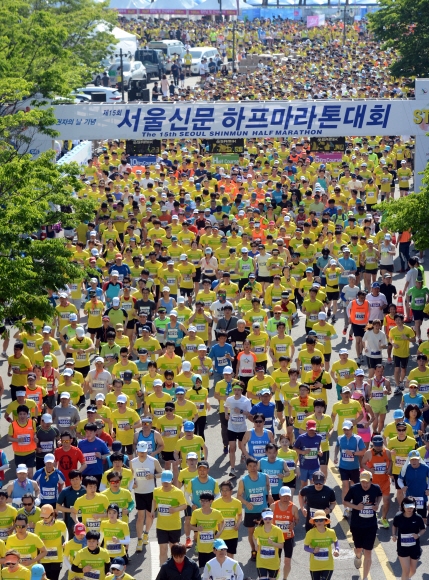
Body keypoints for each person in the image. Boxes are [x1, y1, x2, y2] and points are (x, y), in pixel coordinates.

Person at [343, 471, 382, 579]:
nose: (365, 485)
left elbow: (379, 495)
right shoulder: (354, 489)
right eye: (363, 482)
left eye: (367, 482)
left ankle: (365, 577)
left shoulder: (376, 488)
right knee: (359, 548)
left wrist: (377, 504)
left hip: (371, 525)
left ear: (371, 481)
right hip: (357, 524)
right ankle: (358, 555)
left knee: (368, 551)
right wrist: (356, 507)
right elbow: (345, 502)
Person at [237, 457, 273, 561]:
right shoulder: (243, 481)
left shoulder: (265, 476)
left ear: (257, 466)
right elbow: (238, 496)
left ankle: (264, 549)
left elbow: (268, 486)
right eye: (250, 466)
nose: (253, 468)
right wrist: (246, 503)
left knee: (265, 531)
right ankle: (254, 550)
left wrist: (269, 495)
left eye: (254, 466)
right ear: (247, 467)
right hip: (251, 511)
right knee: (251, 532)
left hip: (263, 511)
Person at [130, 440, 162, 551]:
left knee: (150, 516)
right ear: (137, 451)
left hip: (151, 493)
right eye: (140, 452)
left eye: (144, 451)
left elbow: (162, 474)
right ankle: (139, 540)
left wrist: (153, 476)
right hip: (139, 493)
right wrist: (132, 484)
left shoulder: (153, 461)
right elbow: (130, 477)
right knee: (140, 518)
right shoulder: (133, 462)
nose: (142, 454)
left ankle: (146, 533)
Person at [152, 470, 187, 565]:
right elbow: (154, 500)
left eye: (167, 481)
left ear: (172, 480)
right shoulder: (156, 491)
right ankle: (163, 571)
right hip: (161, 526)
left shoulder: (178, 492)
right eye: (163, 481)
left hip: (174, 526)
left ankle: (174, 571)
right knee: (162, 550)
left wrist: (175, 510)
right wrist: (152, 511)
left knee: (174, 550)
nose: (165, 483)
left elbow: (184, 505)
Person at [333, 420, 366, 518]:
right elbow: (337, 447)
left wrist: (354, 453)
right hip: (343, 467)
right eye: (344, 430)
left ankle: (354, 505)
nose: (346, 432)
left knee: (354, 486)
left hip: (354, 467)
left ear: (352, 429)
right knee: (345, 485)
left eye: (348, 429)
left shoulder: (358, 439)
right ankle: (346, 508)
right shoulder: (340, 438)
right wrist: (335, 456)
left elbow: (363, 451)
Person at [392, 496, 426, 580]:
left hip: (414, 548)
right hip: (402, 547)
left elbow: (423, 529)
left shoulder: (418, 517)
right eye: (407, 507)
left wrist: (418, 535)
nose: (409, 509)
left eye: (411, 507)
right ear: (403, 506)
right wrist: (393, 534)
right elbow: (394, 525)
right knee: (406, 570)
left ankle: (406, 578)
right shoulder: (398, 517)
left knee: (413, 571)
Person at [362, 435, 392, 529]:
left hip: (385, 481)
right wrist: (369, 470)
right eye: (376, 445)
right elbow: (362, 463)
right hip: (373, 483)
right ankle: (373, 515)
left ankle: (384, 518)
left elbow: (391, 461)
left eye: (380, 445)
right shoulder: (368, 453)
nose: (378, 447)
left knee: (386, 501)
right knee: (373, 501)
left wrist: (389, 470)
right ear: (373, 444)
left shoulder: (387, 452)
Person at [190, 492, 224, 569]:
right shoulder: (196, 513)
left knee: (213, 568)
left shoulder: (217, 513)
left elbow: (223, 522)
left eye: (205, 501)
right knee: (203, 568)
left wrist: (219, 532)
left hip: (213, 547)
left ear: (211, 501)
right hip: (201, 546)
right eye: (201, 501)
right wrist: (197, 529)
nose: (203, 503)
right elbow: (191, 526)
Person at [224, 383, 252, 477]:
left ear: (241, 390)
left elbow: (249, 413)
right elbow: (225, 406)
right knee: (232, 448)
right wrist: (226, 414)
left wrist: (240, 411)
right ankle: (232, 468)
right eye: (235, 389)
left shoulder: (246, 400)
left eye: (238, 390)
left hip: (242, 428)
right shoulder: (229, 399)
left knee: (241, 446)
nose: (236, 391)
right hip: (231, 427)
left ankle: (244, 455)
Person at [271, 486, 299, 580]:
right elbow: (268, 520)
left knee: (287, 561)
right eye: (284, 496)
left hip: (288, 537)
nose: (286, 499)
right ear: (279, 495)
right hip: (276, 538)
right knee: (276, 561)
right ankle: (275, 577)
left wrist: (293, 523)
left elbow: (297, 519)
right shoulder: (273, 506)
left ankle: (285, 578)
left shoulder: (294, 507)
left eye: (288, 496)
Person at [303, 509, 339, 580]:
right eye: (316, 520)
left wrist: (337, 549)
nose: (319, 522)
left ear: (325, 521)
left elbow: (336, 541)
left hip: (328, 565)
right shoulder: (310, 533)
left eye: (321, 520)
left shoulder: (331, 532)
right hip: (315, 566)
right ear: (314, 522)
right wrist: (313, 550)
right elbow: (305, 547)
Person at [34, 504, 66, 580]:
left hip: (57, 557)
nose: (44, 518)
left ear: (52, 514)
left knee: (55, 577)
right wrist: (40, 542)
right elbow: (35, 540)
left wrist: (66, 541)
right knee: (46, 577)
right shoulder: (39, 524)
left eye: (46, 516)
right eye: (42, 516)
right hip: (44, 557)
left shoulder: (60, 524)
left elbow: (66, 533)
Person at [398, 449, 429, 523]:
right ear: (409, 460)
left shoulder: (425, 468)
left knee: (423, 518)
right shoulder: (405, 469)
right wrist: (402, 487)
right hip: (409, 497)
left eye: (416, 459)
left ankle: (420, 532)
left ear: (419, 459)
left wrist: (428, 489)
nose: (414, 461)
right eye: (412, 460)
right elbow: (399, 479)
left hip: (422, 497)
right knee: (408, 516)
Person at [253, 509, 284, 579]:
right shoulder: (258, 529)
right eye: (265, 518)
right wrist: (255, 544)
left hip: (273, 563)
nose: (268, 520)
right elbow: (254, 537)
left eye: (270, 518)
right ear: (262, 518)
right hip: (261, 562)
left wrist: (272, 543)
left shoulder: (278, 530)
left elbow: (281, 545)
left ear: (272, 518)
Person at [56, 469, 86, 538]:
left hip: (85, 522)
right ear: (69, 480)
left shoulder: (85, 490)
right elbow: (58, 506)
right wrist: (71, 510)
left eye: (77, 479)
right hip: (70, 523)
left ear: (81, 479)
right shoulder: (65, 491)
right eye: (72, 480)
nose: (75, 482)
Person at [294, 420, 323, 485]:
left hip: (314, 466)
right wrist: (302, 452)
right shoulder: (301, 438)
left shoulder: (319, 437)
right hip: (303, 466)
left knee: (313, 485)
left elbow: (319, 445)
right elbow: (295, 448)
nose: (311, 431)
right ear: (306, 428)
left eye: (313, 430)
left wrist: (320, 450)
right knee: (304, 485)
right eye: (310, 430)